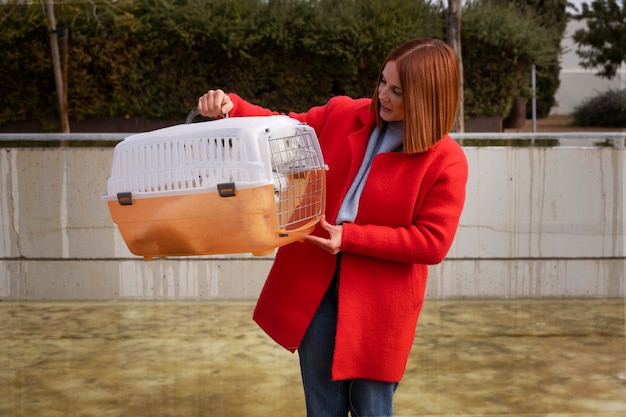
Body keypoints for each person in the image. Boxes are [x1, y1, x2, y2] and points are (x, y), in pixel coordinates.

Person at [198, 37, 468, 417]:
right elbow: (282, 128)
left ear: (427, 99)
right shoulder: (343, 112)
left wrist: (350, 238)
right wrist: (232, 107)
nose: (382, 95)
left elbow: (432, 243)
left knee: (372, 409)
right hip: (315, 284)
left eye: (397, 91)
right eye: (382, 82)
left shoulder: (447, 161)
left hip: (381, 303)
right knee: (322, 409)